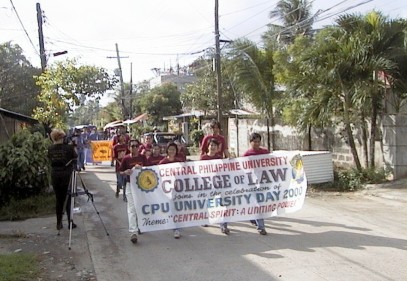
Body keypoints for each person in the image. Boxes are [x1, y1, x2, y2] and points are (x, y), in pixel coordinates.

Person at [47, 128, 78, 231]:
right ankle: (70, 222)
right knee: (69, 198)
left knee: (59, 199)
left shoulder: (50, 149)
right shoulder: (68, 148)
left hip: (55, 175)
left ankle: (59, 222)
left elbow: (49, 159)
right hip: (67, 175)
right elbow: (75, 157)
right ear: (60, 137)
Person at [200, 138, 230, 234]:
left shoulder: (219, 159)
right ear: (208, 147)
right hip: (207, 185)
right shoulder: (203, 158)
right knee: (207, 204)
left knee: (222, 205)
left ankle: (223, 225)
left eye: (215, 146)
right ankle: (205, 219)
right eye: (211, 145)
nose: (212, 147)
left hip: (219, 185)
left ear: (217, 148)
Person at [120, 142, 147, 243]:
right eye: (132, 146)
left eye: (136, 146)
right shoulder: (126, 159)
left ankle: (141, 225)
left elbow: (150, 169)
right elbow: (120, 171)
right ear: (129, 148)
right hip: (130, 185)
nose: (134, 148)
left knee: (140, 206)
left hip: (142, 186)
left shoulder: (143, 158)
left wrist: (142, 168)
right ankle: (133, 232)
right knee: (131, 208)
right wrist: (125, 172)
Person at [243, 132, 270, 235]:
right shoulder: (247, 154)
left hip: (263, 182)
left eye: (258, 141)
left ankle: (255, 219)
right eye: (255, 142)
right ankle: (261, 227)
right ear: (250, 142)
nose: (257, 144)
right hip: (252, 183)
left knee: (260, 204)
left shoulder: (265, 152)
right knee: (257, 204)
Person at [159, 142, 185, 238]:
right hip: (168, 190)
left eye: (174, 149)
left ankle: (177, 228)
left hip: (179, 188)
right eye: (170, 149)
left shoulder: (179, 161)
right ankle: (174, 227)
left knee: (178, 209)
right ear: (167, 150)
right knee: (171, 208)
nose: (172, 151)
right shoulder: (163, 162)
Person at [113, 135, 130, 199]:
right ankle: (118, 190)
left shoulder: (126, 146)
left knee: (125, 181)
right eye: (122, 136)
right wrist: (119, 162)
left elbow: (129, 155)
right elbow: (114, 157)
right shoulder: (116, 147)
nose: (123, 138)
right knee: (119, 181)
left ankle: (124, 196)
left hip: (125, 166)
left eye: (124, 136)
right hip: (118, 166)